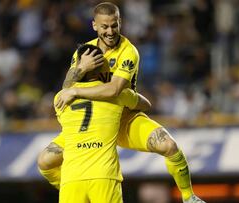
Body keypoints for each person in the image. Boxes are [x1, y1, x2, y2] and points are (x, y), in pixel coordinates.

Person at [38, 2, 205, 203]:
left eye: (114, 25)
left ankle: (189, 197)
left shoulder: (128, 51)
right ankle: (72, 185)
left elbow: (114, 90)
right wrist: (80, 69)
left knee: (168, 145)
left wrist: (75, 88)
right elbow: (67, 86)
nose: (110, 31)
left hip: (123, 116)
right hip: (93, 124)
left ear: (120, 23)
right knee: (45, 161)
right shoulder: (85, 53)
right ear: (94, 26)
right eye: (104, 26)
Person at [52, 44, 151, 203]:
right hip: (104, 175)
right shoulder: (117, 95)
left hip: (72, 177)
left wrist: (79, 72)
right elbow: (146, 104)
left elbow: (68, 86)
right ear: (102, 68)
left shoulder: (60, 99)